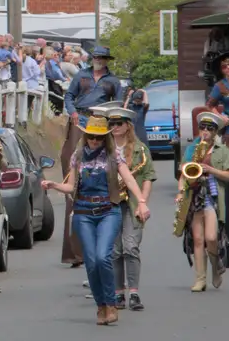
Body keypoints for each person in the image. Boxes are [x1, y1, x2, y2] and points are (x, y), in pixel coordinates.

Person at [42, 115, 149, 325]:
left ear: (105, 138)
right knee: (90, 262)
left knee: (102, 257)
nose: (94, 141)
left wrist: (142, 201)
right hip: (83, 212)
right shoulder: (78, 156)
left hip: (108, 210)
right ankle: (101, 305)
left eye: (99, 138)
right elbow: (71, 187)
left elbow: (128, 179)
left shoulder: (113, 155)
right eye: (91, 137)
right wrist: (54, 185)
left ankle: (111, 303)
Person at [60, 45, 124, 267]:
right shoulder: (81, 74)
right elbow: (69, 96)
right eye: (96, 57)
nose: (98, 60)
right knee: (74, 170)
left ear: (107, 59)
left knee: (106, 167)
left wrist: (108, 119)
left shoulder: (113, 81)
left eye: (102, 57)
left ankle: (105, 246)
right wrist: (74, 112)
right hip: (80, 120)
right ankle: (76, 251)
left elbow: (118, 105)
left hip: (101, 122)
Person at [180, 111, 229, 293]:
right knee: (197, 239)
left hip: (212, 195)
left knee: (211, 237)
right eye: (202, 127)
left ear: (215, 132)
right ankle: (200, 278)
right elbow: (183, 172)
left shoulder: (222, 150)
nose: (204, 131)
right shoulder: (191, 149)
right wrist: (181, 191)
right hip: (194, 195)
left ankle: (215, 266)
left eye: (209, 128)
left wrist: (211, 169)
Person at [105, 106, 154, 311]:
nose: (114, 127)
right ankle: (118, 294)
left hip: (132, 203)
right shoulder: (104, 149)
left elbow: (148, 177)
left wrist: (142, 202)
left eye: (119, 124)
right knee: (115, 250)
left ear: (127, 126)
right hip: (111, 203)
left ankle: (134, 292)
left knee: (131, 246)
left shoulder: (140, 149)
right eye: (111, 124)